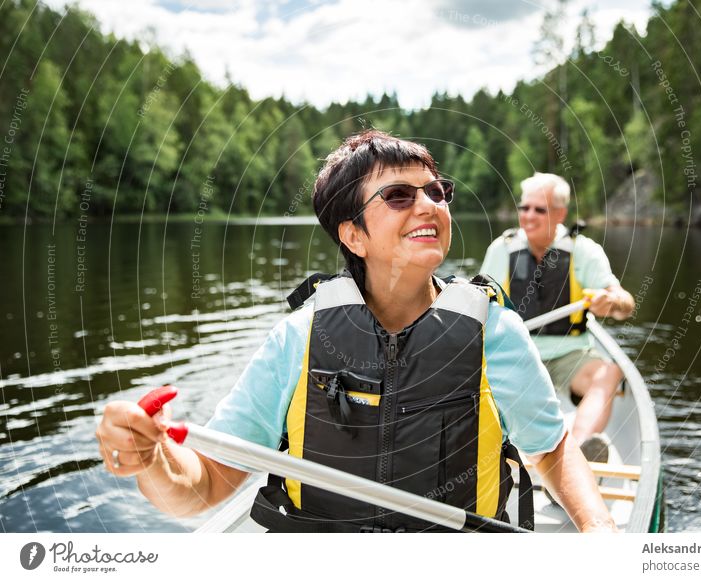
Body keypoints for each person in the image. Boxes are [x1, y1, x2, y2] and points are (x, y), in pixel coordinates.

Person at [96, 131, 616, 532]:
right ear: (353, 234)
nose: (429, 204)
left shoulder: (495, 333)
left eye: (436, 191)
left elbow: (549, 450)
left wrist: (598, 528)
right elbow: (203, 484)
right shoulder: (297, 340)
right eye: (397, 195)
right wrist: (153, 460)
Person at [481, 173, 635, 465]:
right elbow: (480, 304)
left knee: (610, 373)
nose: (528, 216)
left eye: (540, 209)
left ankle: (574, 454)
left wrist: (611, 300)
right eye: (524, 208)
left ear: (561, 213)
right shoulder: (501, 249)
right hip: (514, 355)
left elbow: (625, 304)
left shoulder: (584, 250)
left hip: (569, 356)